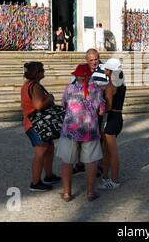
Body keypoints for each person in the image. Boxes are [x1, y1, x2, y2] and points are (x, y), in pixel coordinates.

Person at [57, 64, 106, 202]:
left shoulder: (69, 88)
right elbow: (101, 110)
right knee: (91, 162)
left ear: (76, 76)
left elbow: (64, 104)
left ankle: (67, 193)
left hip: (70, 130)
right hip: (89, 130)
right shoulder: (96, 89)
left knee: (67, 161)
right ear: (89, 76)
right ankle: (90, 192)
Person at [21, 62, 61, 192]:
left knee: (49, 148)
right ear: (36, 73)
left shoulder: (27, 85)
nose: (44, 71)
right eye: (42, 70)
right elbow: (38, 105)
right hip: (37, 124)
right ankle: (35, 182)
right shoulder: (35, 86)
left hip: (33, 123)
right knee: (41, 151)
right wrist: (49, 99)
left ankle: (49, 175)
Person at [99, 59, 127, 190]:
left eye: (106, 69)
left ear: (110, 71)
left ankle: (114, 180)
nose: (104, 71)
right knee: (107, 150)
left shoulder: (110, 86)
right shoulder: (121, 84)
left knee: (111, 152)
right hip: (118, 117)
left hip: (110, 118)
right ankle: (105, 176)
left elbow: (108, 107)